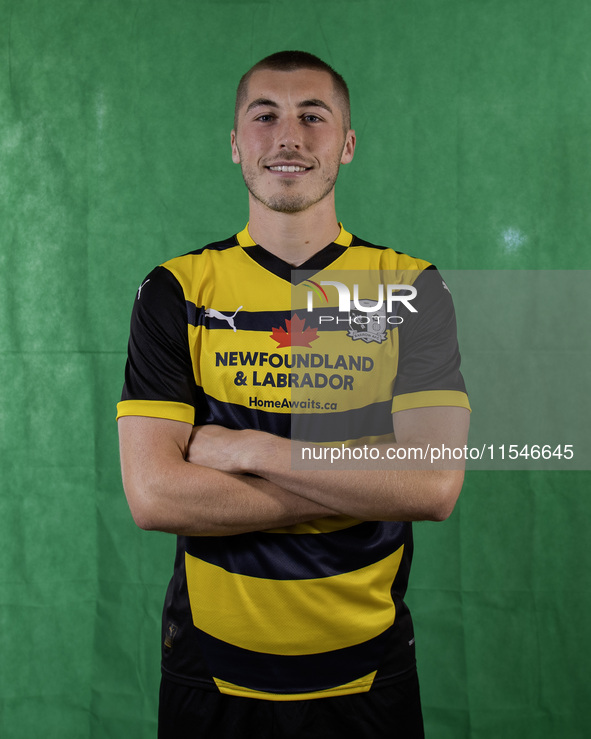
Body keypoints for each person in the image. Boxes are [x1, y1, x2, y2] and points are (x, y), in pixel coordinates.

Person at [117, 50, 470, 738]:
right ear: (234, 144)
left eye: (313, 115)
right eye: (265, 115)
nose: (289, 136)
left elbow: (431, 486)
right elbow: (155, 495)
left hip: (368, 670)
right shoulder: (176, 288)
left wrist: (250, 449)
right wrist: (364, 476)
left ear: (346, 143)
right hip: (210, 668)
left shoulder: (410, 288)